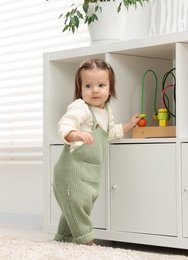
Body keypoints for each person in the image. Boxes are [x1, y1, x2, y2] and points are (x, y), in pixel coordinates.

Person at [52, 58, 141, 246]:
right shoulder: (80, 107)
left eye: (101, 85)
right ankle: (87, 241)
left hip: (90, 173)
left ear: (110, 89)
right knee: (76, 206)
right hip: (71, 172)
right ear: (80, 89)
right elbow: (65, 125)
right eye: (88, 85)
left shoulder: (107, 111)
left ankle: (64, 239)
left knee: (81, 205)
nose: (95, 90)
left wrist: (129, 125)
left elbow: (110, 133)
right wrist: (76, 134)